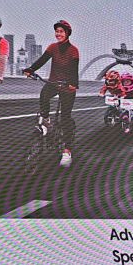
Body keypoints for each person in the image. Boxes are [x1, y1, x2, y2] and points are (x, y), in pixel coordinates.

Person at [23, 20, 80, 167]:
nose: (58, 34)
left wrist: (74, 84)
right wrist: (30, 69)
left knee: (65, 118)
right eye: (57, 31)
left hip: (67, 86)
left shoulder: (73, 50)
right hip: (54, 82)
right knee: (44, 96)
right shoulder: (52, 47)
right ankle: (46, 121)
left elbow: (74, 69)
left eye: (61, 31)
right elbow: (42, 60)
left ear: (67, 33)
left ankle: (67, 151)